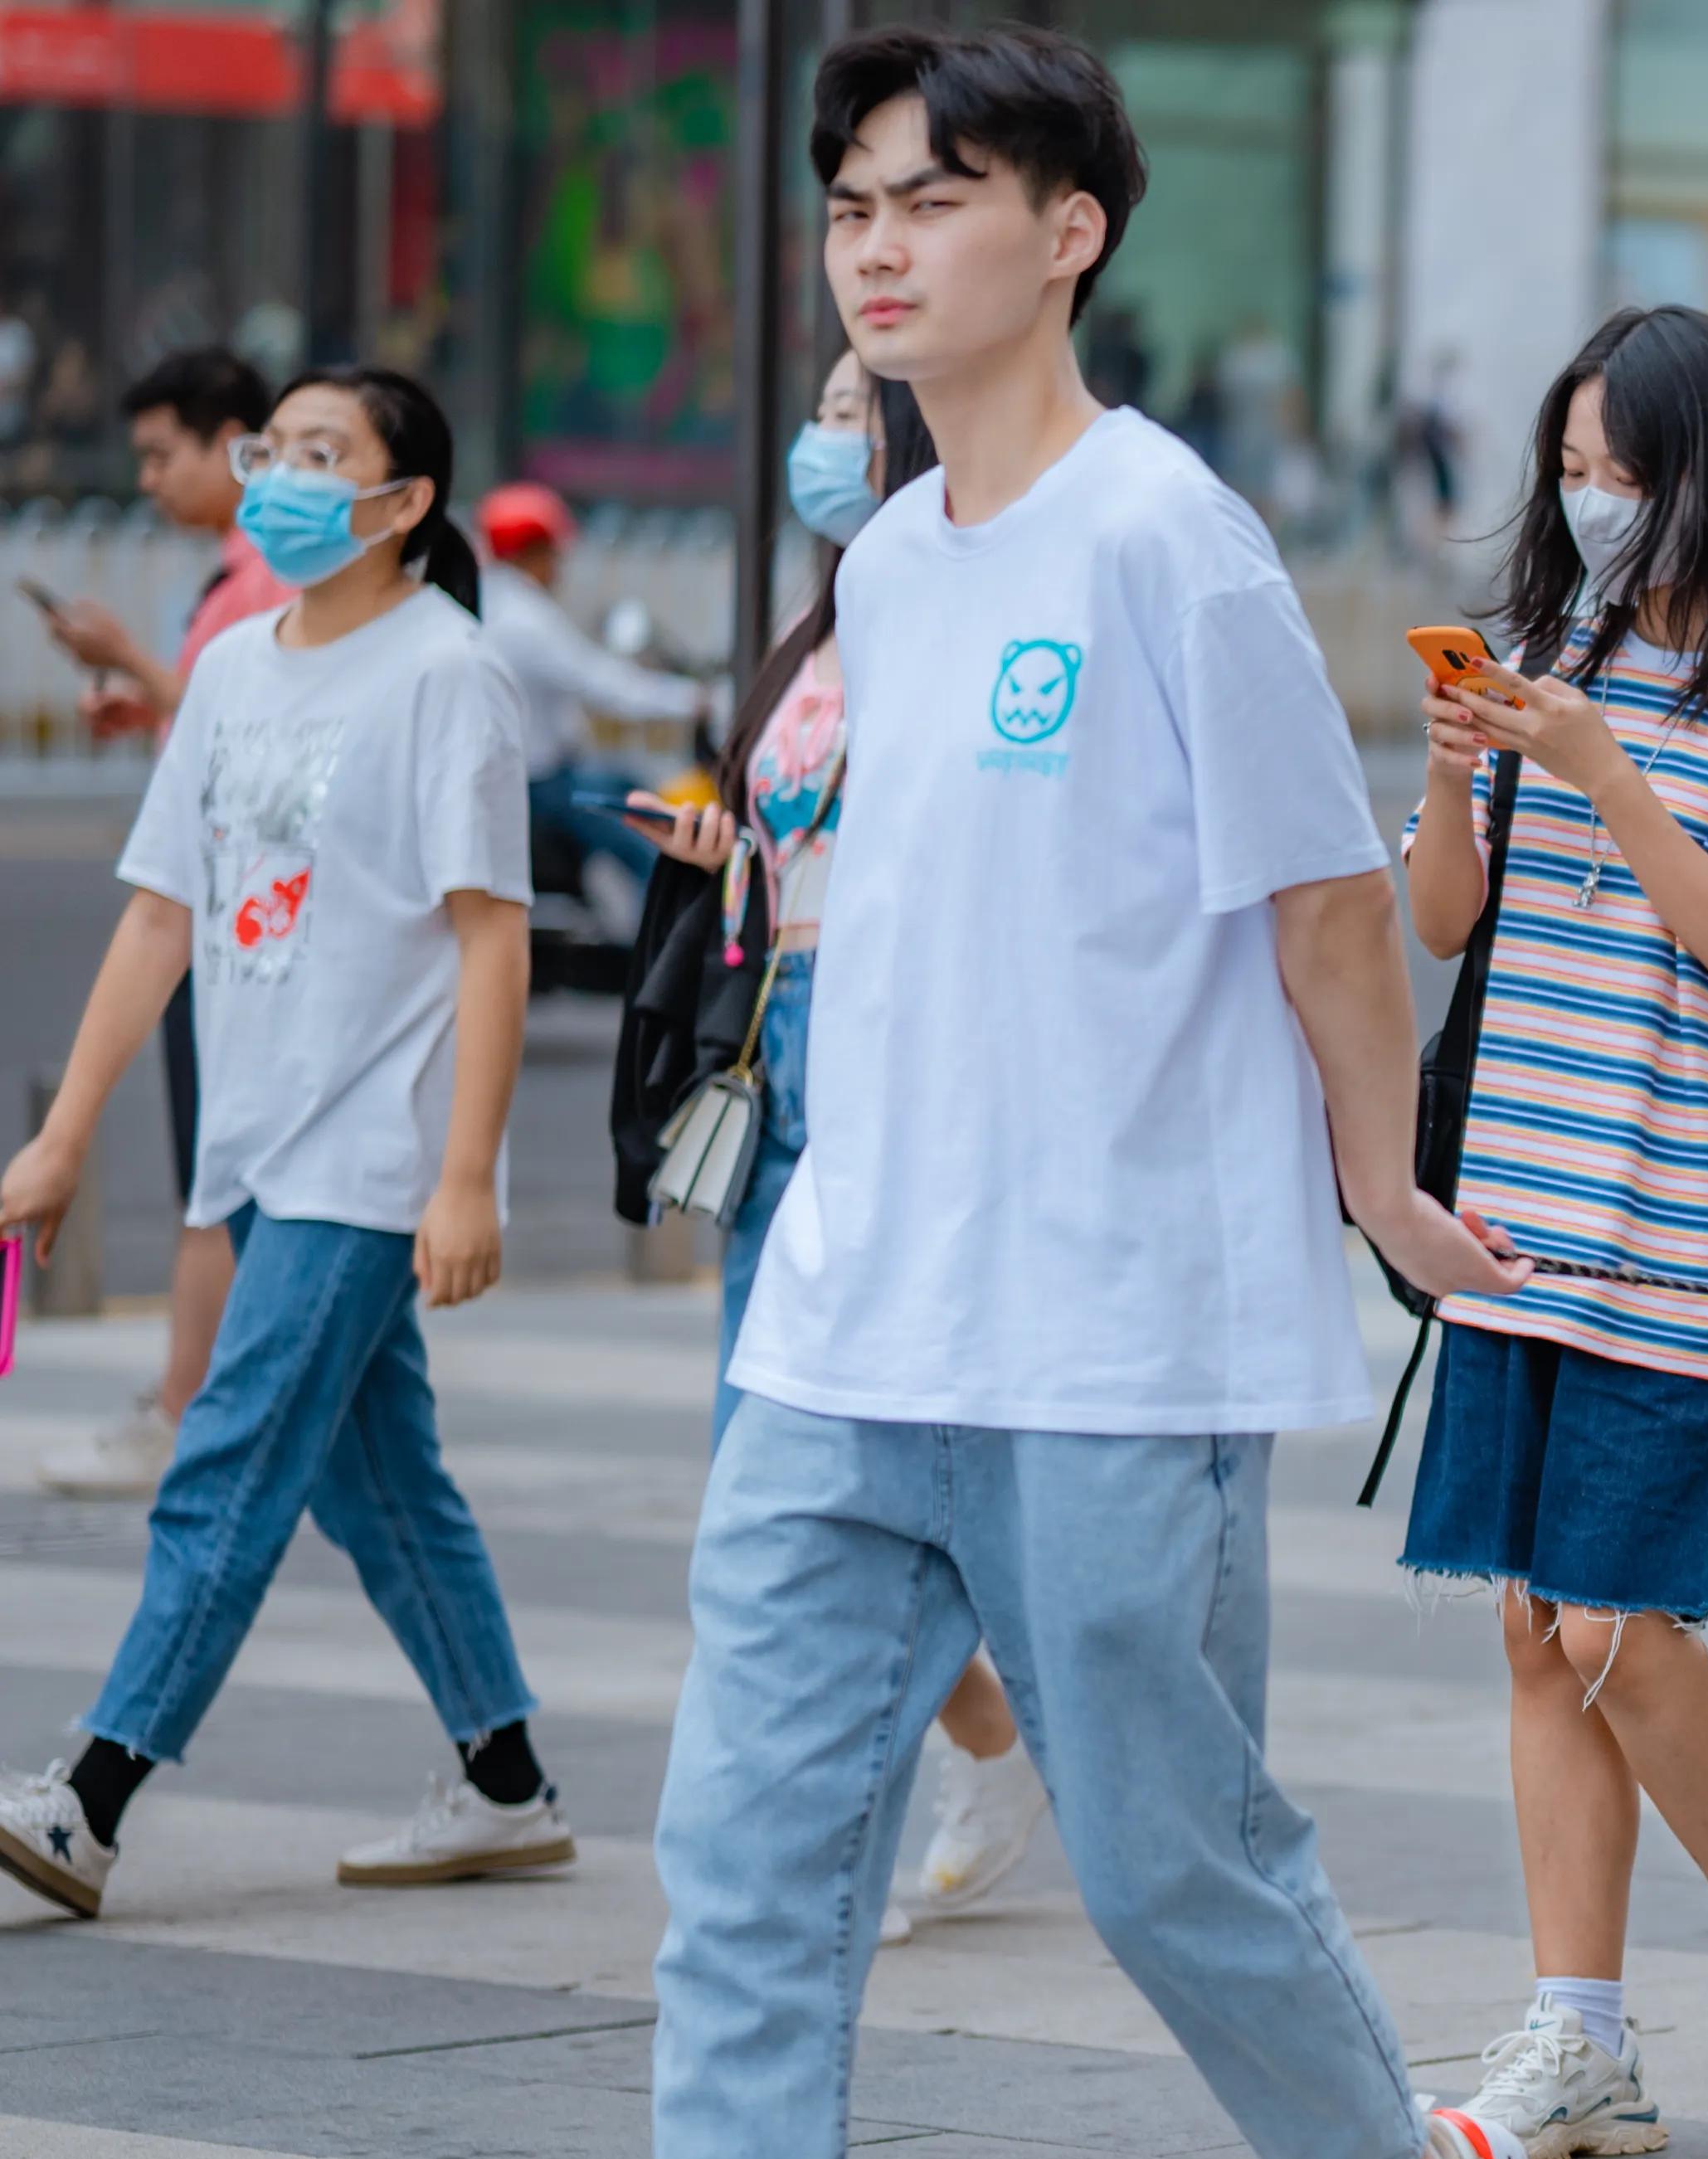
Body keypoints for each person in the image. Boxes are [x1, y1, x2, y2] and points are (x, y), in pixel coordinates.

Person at [480, 32, 1535, 2159]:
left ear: (1065, 230)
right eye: (851, 200)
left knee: (1176, 1863)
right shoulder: (898, 566)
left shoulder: (1169, 544)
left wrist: (1384, 1193)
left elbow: (1320, 914)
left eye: (930, 198)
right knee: (741, 1865)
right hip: (846, 1330)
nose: (872, 244)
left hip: (1113, 1341)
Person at [1400, 306, 1708, 2159]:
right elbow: (1446, 923)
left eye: (1626, 470)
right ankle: (1578, 2028)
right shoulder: (1550, 657)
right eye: (1574, 469)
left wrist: (1601, 765)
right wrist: (1460, 759)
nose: (1592, 504)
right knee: (1535, 1631)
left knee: (1618, 1624)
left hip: (1696, 1231)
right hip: (1524, 1217)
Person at [0, 367, 564, 1918]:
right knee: (378, 1479)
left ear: (403, 505)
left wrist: (463, 1173)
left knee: (232, 1457)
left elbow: (491, 942)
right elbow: (161, 913)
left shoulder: (449, 674)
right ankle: (504, 1775)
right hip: (259, 1139)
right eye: (276, 449)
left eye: (328, 455)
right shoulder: (238, 666)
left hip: (370, 1152)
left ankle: (93, 1793)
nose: (285, 477)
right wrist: (61, 1137)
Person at [616, 347, 1041, 1940]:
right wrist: (726, 847)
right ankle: (985, 1733)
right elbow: (798, 840)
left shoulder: (967, 607)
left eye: (854, 412)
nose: (823, 438)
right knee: (761, 1464)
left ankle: (831, 1830)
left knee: (894, 1471)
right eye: (822, 408)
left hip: (902, 1056)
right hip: (776, 1051)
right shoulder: (826, 620)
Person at [27, 349, 290, 1500]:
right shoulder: (238, 577)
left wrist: (133, 662)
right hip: (224, 908)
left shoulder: (271, 574)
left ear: (234, 443)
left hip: (247, 927)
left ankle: (188, 1411)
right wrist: (151, 697)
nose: (147, 482)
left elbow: (279, 731)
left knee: (220, 1181)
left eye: (159, 456)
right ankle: (219, 1410)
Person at [474, 480, 712, 937]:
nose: (560, 566)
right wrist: (688, 700)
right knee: (649, 844)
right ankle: (661, 949)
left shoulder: (492, 602)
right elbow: (603, 684)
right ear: (535, 551)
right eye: (555, 552)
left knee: (626, 786)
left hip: (533, 777)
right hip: (540, 784)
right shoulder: (523, 620)